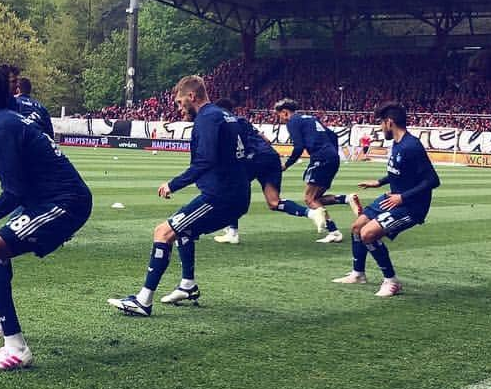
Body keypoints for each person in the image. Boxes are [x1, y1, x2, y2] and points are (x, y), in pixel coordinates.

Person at [0, 66, 92, 371]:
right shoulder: (6, 122)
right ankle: (3, 324)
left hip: (64, 203)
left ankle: (15, 347)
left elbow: (13, 192)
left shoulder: (2, 127)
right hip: (46, 200)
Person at [109, 75, 250, 315]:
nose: (177, 107)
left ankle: (143, 301)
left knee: (162, 232)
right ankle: (188, 285)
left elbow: (205, 161)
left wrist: (173, 184)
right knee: (184, 229)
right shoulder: (225, 116)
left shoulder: (207, 118)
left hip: (220, 196)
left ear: (191, 97)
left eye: (179, 102)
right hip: (236, 194)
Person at [333, 103, 440, 297]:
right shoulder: (398, 144)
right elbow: (401, 173)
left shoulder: (411, 146)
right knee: (357, 227)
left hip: (411, 206)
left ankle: (391, 281)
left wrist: (402, 197)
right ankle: (358, 274)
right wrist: (380, 182)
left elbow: (433, 180)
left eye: (381, 123)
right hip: (393, 198)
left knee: (368, 234)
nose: (380, 128)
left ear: (389, 122)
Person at [211, 98, 307, 245]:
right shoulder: (243, 120)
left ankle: (232, 232)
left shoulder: (226, 123)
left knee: (230, 188)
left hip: (254, 158)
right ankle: (312, 213)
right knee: (274, 202)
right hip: (271, 157)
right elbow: (266, 140)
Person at [274, 99, 347, 242]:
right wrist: (332, 152)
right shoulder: (310, 118)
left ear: (285, 112)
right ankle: (346, 199)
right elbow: (334, 136)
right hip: (332, 157)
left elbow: (299, 146)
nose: (281, 119)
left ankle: (334, 232)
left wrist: (287, 165)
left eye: (280, 116)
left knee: (309, 199)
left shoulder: (293, 121)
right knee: (316, 198)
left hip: (321, 158)